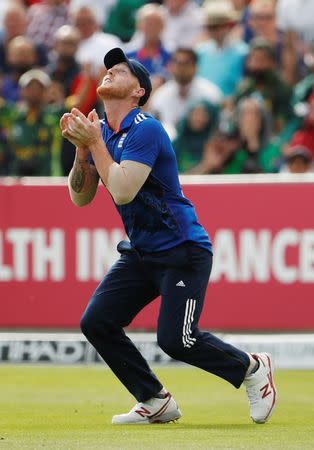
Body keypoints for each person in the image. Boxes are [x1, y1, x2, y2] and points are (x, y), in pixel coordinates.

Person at [60, 47, 277, 425]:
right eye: (108, 68)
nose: (110, 71)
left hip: (182, 249)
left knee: (177, 340)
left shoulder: (146, 128)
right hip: (142, 253)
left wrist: (93, 142)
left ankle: (252, 368)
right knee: (96, 322)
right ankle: (154, 399)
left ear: (138, 91)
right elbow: (81, 198)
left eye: (122, 70)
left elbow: (124, 189)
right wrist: (83, 149)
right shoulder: (103, 134)